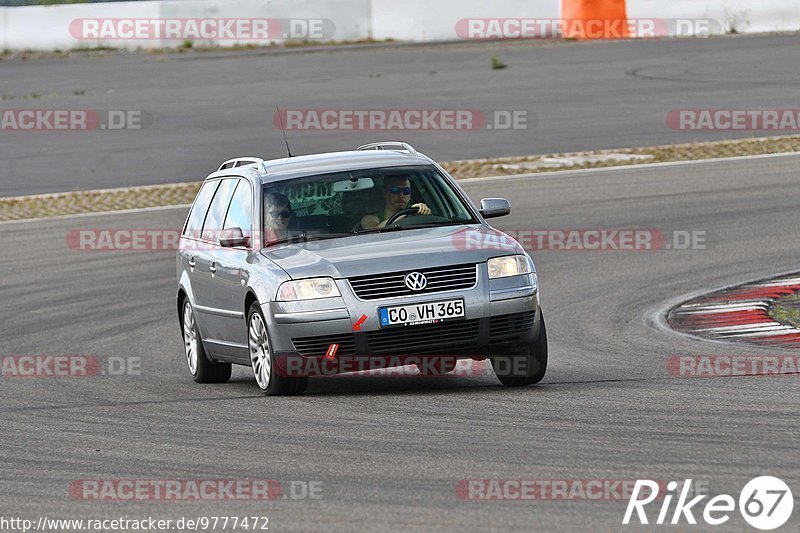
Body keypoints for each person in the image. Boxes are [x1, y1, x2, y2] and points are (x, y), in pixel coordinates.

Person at [360, 175, 431, 230]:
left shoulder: (416, 215)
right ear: (385, 193)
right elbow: (373, 232)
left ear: (410, 195)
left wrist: (424, 211)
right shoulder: (370, 218)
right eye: (395, 190)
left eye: (406, 191)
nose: (401, 196)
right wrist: (407, 213)